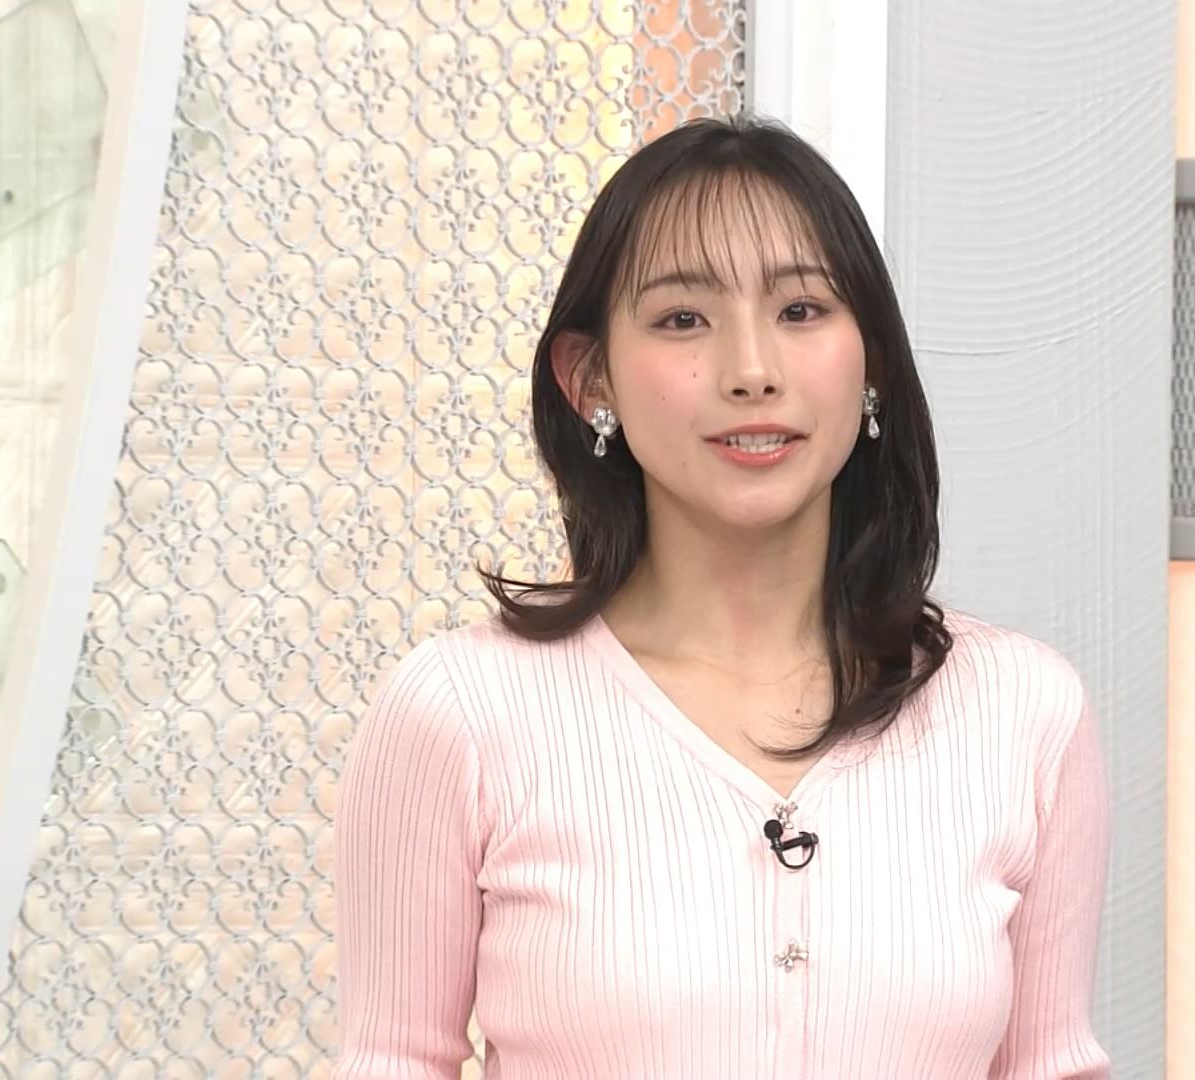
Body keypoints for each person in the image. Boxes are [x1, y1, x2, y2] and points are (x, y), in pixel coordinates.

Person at [334, 114, 1110, 1079]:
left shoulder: (1024, 711)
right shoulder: (458, 711)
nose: (752, 372)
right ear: (589, 379)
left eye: (801, 310)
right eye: (682, 319)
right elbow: (392, 1059)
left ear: (870, 361)